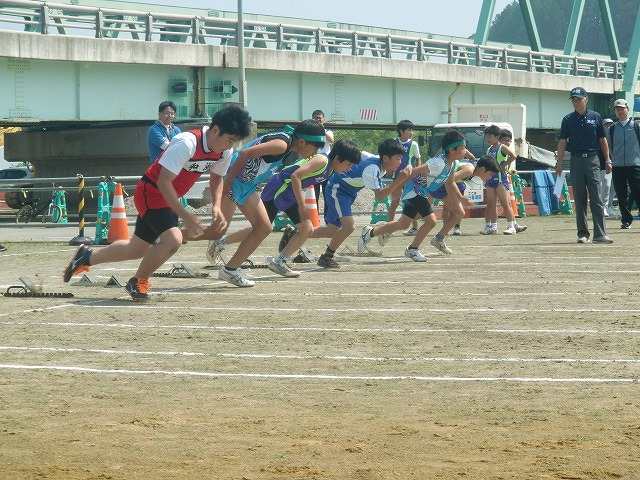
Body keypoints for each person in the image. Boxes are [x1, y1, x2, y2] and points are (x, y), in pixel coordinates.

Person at [62, 104, 253, 300]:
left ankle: (85, 257)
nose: (230, 146)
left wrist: (216, 207)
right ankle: (138, 281)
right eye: (229, 140)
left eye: (234, 142)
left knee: (136, 249)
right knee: (173, 240)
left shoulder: (224, 151)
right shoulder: (187, 143)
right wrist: (186, 215)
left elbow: (216, 178)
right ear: (215, 130)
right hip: (151, 192)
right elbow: (163, 182)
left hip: (168, 198)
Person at [211, 140, 361, 277]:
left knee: (300, 228)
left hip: (286, 192)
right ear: (337, 158)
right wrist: (302, 204)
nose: (349, 169)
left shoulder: (330, 168)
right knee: (264, 228)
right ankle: (275, 261)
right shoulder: (322, 160)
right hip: (279, 189)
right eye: (348, 164)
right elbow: (295, 176)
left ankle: (275, 260)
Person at [206, 119, 327, 287]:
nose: (315, 152)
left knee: (264, 227)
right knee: (218, 228)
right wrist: (228, 182)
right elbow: (244, 154)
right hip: (234, 181)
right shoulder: (281, 145)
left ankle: (230, 270)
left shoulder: (288, 148)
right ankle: (172, 236)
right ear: (301, 142)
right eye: (314, 147)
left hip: (247, 185)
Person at [358, 133, 498, 261]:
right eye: (462, 148)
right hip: (414, 189)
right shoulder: (438, 164)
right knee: (431, 221)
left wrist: (461, 199)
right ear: (451, 150)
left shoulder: (453, 164)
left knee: (404, 224)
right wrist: (397, 187)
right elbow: (413, 172)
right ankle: (412, 249)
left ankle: (370, 232)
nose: (465, 151)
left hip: (422, 191)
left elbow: (449, 182)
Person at [310, 139, 411, 268]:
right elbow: (380, 196)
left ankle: (297, 234)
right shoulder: (372, 169)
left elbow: (361, 153)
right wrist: (400, 180)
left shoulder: (376, 160)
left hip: (347, 192)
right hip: (338, 189)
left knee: (332, 230)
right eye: (398, 158)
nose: (400, 162)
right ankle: (327, 257)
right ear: (385, 158)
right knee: (349, 226)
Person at [556, 87, 612, 244]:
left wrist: (607, 160)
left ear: (586, 99)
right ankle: (583, 234)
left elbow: (602, 139)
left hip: (593, 159)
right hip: (576, 160)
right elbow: (562, 142)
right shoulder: (567, 120)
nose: (576, 101)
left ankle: (600, 234)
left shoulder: (595, 117)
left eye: (578, 98)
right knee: (580, 198)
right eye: (573, 99)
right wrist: (559, 163)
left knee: (597, 197)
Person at [479, 125, 525, 235]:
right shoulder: (489, 149)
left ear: (497, 136)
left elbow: (513, 156)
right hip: (490, 180)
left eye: (490, 136)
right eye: (486, 136)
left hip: (500, 179)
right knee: (491, 204)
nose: (488, 139)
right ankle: (493, 227)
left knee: (505, 203)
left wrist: (504, 165)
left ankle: (511, 226)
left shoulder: (502, 147)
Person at [607, 98, 640, 230]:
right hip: (618, 166)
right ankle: (626, 220)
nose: (620, 111)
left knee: (638, 192)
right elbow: (609, 146)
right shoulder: (612, 129)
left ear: (627, 109)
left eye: (622, 108)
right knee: (621, 194)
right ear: (615, 112)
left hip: (635, 165)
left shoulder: (636, 126)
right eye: (617, 109)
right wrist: (614, 159)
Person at [391, 120, 422, 235]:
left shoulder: (413, 144)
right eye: (409, 130)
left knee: (410, 203)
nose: (411, 132)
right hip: (396, 178)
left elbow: (418, 159)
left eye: (412, 130)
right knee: (394, 202)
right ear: (401, 131)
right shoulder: (394, 142)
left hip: (409, 178)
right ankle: (390, 228)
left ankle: (414, 228)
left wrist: (417, 172)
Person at [311, 109, 334, 213]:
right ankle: (314, 219)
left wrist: (322, 130)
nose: (318, 121)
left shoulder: (328, 131)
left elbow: (331, 140)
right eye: (315, 119)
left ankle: (328, 218)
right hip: (313, 166)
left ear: (324, 120)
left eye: (319, 119)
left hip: (326, 167)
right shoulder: (310, 133)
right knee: (313, 194)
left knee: (327, 193)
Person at [599, 118, 616, 217]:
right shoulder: (600, 138)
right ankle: (603, 207)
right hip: (604, 165)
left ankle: (610, 206)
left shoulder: (614, 137)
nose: (608, 127)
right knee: (606, 185)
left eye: (610, 125)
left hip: (616, 164)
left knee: (614, 187)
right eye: (606, 125)